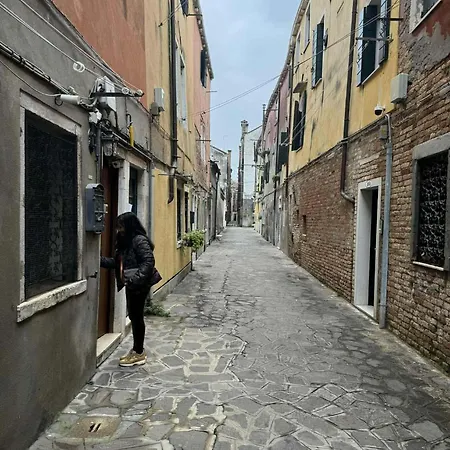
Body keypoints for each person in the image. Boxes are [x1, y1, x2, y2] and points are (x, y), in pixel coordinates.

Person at [101, 212, 161, 367]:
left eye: (121, 226)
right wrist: (99, 260)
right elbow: (118, 263)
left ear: (130, 226)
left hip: (139, 286)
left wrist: (134, 281)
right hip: (133, 284)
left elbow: (148, 262)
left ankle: (139, 352)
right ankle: (137, 350)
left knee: (136, 317)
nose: (119, 230)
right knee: (135, 317)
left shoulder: (139, 240)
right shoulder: (127, 242)